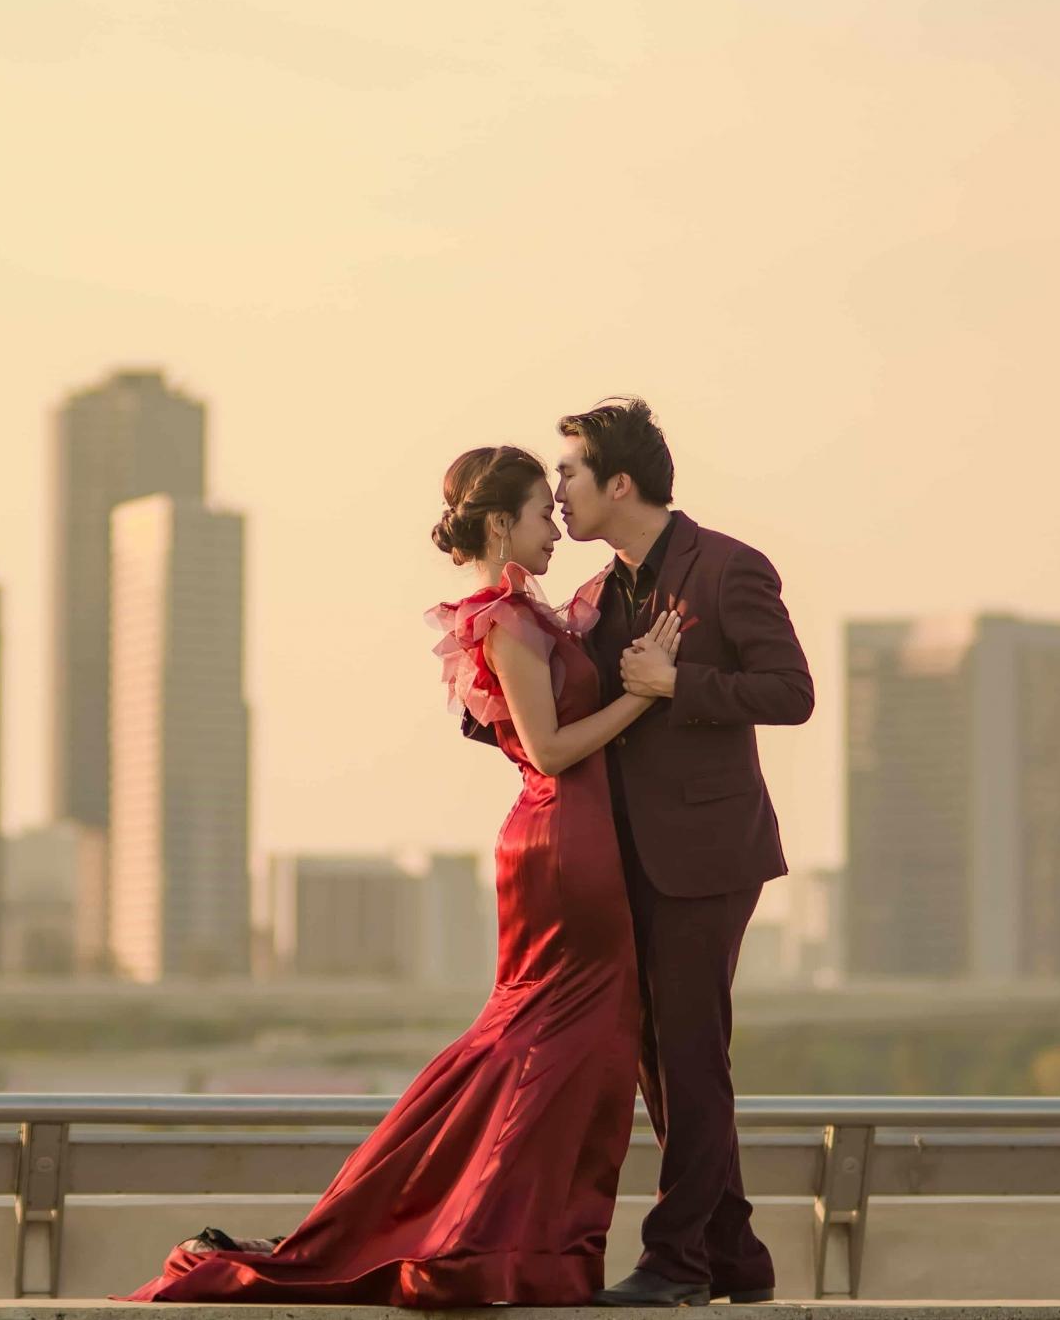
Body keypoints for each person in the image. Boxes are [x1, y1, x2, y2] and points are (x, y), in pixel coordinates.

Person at [126, 443, 683, 1306]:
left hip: (566, 840)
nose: (553, 531)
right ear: (500, 522)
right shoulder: (504, 619)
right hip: (566, 842)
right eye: (542, 515)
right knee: (567, 1044)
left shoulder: (519, 615)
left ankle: (513, 1242)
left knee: (556, 1043)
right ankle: (487, 1241)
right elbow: (551, 748)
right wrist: (650, 692)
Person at [550, 397, 814, 1307]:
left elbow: (791, 691)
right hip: (624, 860)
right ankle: (734, 1254)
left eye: (570, 473)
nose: (558, 492)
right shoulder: (595, 593)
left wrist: (679, 682)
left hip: (709, 855)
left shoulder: (731, 568)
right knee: (661, 1057)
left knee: (691, 1052)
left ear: (619, 482)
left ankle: (676, 1260)